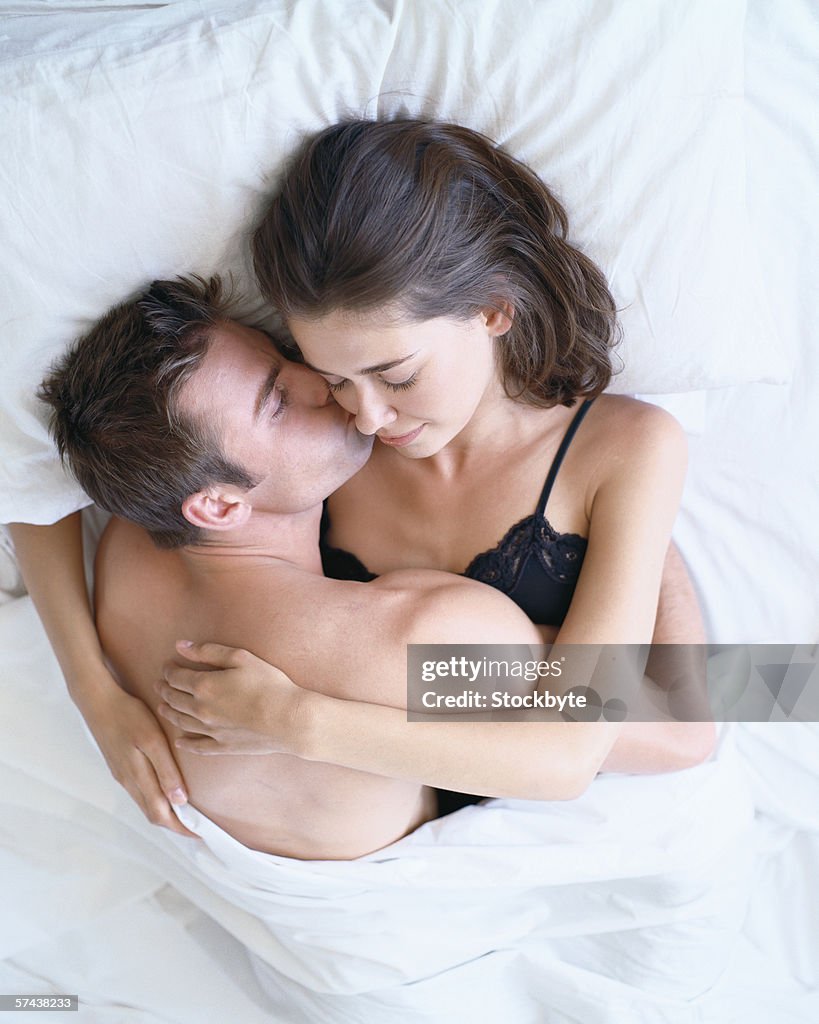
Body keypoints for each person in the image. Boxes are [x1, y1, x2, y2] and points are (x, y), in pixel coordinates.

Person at [159, 118, 713, 791]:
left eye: (396, 376)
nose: (366, 414)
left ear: (491, 310)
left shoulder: (624, 449)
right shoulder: (317, 445)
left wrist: (298, 721)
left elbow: (657, 738)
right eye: (333, 376)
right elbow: (80, 483)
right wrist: (97, 699)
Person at [34, 275, 619, 858]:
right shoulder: (404, 638)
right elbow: (672, 711)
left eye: (286, 356)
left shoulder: (131, 534)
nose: (321, 381)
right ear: (218, 505)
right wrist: (625, 499)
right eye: (279, 403)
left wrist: (90, 687)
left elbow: (28, 504)